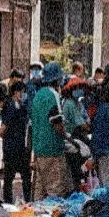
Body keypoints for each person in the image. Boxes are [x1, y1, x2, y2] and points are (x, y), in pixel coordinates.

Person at [30, 62, 69, 199]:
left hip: (39, 150)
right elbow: (57, 124)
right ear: (58, 79)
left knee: (39, 192)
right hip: (53, 150)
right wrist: (67, 137)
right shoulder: (54, 96)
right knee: (55, 191)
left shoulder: (37, 95)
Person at [0, 76, 31, 203]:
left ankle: (27, 200)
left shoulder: (21, 106)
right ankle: (8, 202)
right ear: (16, 92)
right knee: (9, 177)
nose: (23, 95)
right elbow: (4, 127)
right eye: (21, 92)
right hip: (12, 146)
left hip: (19, 146)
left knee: (24, 176)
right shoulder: (9, 105)